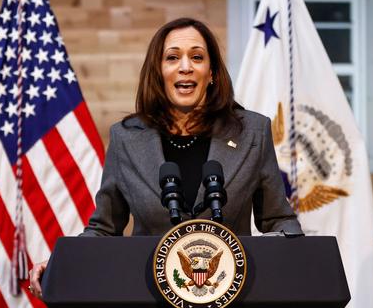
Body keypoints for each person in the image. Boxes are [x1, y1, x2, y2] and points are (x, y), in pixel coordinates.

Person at [28, 17, 300, 297]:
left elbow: (279, 220)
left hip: (233, 296)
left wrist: (299, 260)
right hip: (148, 295)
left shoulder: (252, 132)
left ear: (212, 73)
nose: (185, 67)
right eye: (172, 57)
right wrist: (64, 262)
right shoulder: (126, 138)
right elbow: (104, 228)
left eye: (197, 57)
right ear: (158, 71)